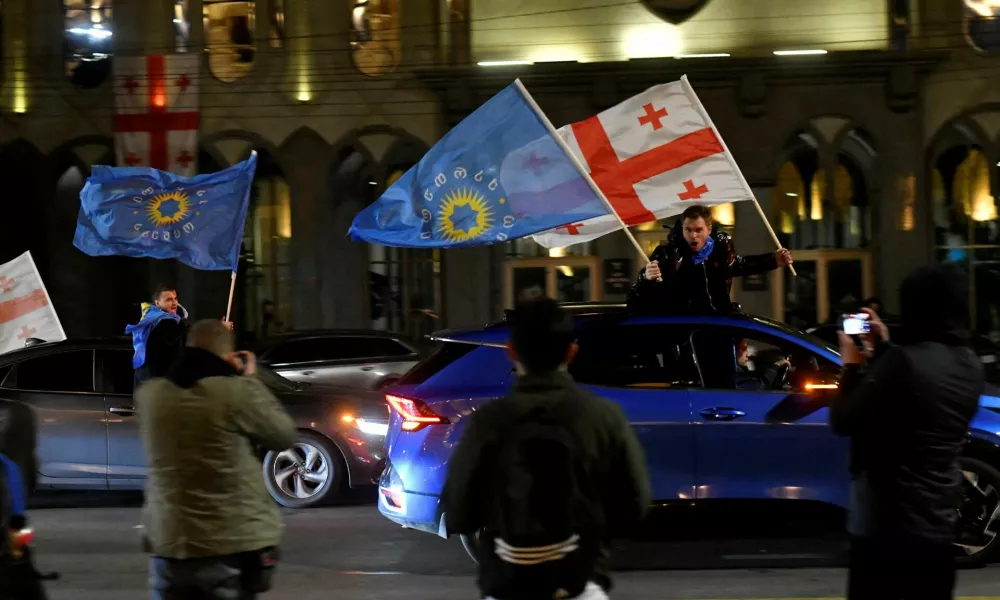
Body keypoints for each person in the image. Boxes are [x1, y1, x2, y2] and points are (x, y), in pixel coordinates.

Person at [441, 298, 651, 600]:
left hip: (508, 585)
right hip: (579, 583)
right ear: (572, 352)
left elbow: (459, 513)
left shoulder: (489, 422)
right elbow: (634, 505)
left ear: (511, 352)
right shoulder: (602, 416)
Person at [829, 264, 984, 600]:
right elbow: (917, 400)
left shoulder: (904, 363)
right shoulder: (970, 363)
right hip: (939, 530)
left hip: (890, 532)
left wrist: (851, 365)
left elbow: (844, 419)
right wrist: (885, 346)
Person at [138, 319, 298, 600]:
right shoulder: (235, 394)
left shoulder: (151, 396)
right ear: (228, 356)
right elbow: (283, 436)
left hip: (170, 544)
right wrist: (249, 381)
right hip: (229, 545)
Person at [627, 205, 793, 314]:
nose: (693, 235)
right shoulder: (667, 254)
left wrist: (773, 260)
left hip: (715, 324)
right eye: (688, 230)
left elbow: (737, 265)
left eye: (699, 230)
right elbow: (637, 298)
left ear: (709, 229)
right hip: (681, 329)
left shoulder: (721, 250)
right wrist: (646, 278)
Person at [127, 284, 232, 389]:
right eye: (168, 299)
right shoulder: (163, 322)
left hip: (146, 383)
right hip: (158, 385)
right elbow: (190, 338)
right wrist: (219, 330)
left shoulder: (151, 319)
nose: (174, 303)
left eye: (175, 298)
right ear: (157, 303)